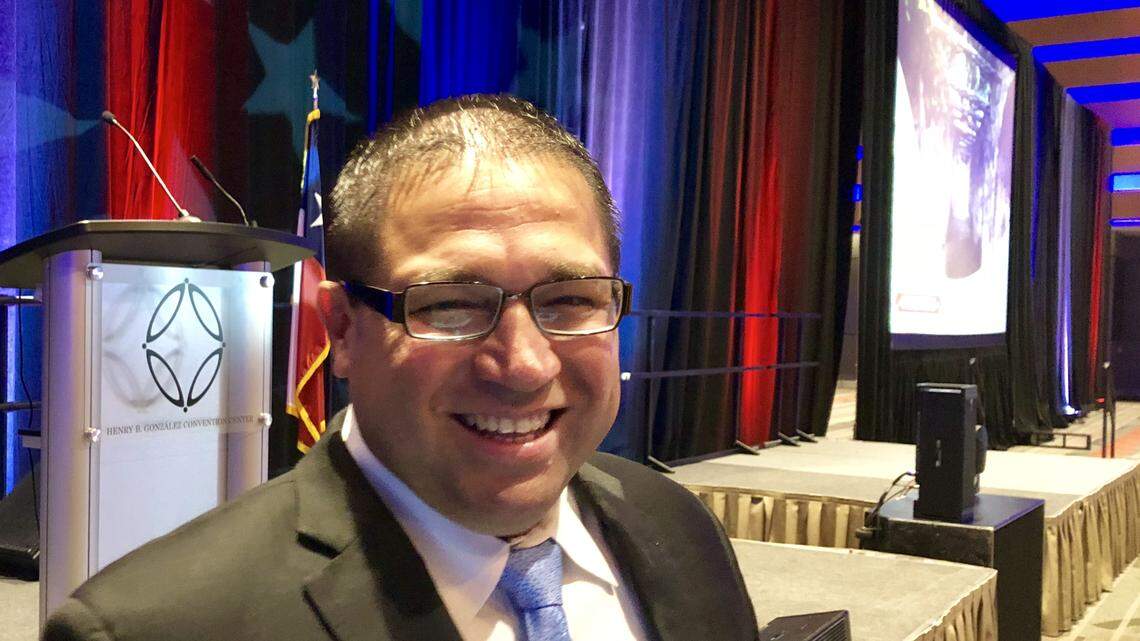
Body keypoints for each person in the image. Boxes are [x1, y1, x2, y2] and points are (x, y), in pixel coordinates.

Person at [43, 95, 758, 641]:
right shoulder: (155, 627)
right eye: (449, 305)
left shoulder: (677, 525)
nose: (524, 364)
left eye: (570, 298)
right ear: (344, 331)